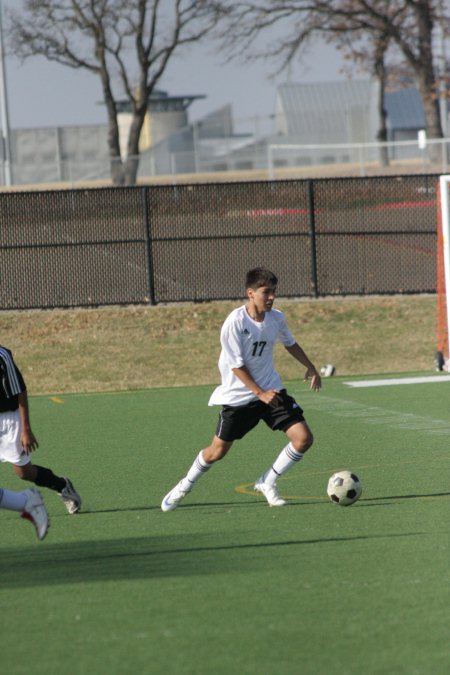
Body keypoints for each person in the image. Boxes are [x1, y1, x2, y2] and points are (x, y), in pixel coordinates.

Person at [161, 267, 321, 511]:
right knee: (216, 451)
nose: (271, 297)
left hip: (271, 390)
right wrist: (259, 393)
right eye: (266, 292)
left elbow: (290, 343)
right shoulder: (234, 322)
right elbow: (236, 366)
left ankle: (268, 481)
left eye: (274, 292)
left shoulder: (276, 318)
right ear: (250, 293)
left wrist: (310, 367)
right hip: (240, 397)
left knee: (303, 438)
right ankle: (184, 485)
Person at [0, 345, 81, 514]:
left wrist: (26, 430)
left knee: (24, 472)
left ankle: (62, 485)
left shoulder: (2, 357)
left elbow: (20, 391)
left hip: (9, 419)